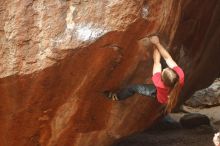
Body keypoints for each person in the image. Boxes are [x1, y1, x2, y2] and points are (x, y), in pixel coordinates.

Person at [104, 35, 184, 113]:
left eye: (163, 71)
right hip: (169, 92)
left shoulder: (158, 83)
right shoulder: (180, 75)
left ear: (162, 79)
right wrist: (157, 43)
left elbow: (156, 62)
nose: (166, 68)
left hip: (158, 94)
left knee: (133, 88)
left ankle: (117, 96)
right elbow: (168, 58)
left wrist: (155, 45)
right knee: (164, 62)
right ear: (175, 73)